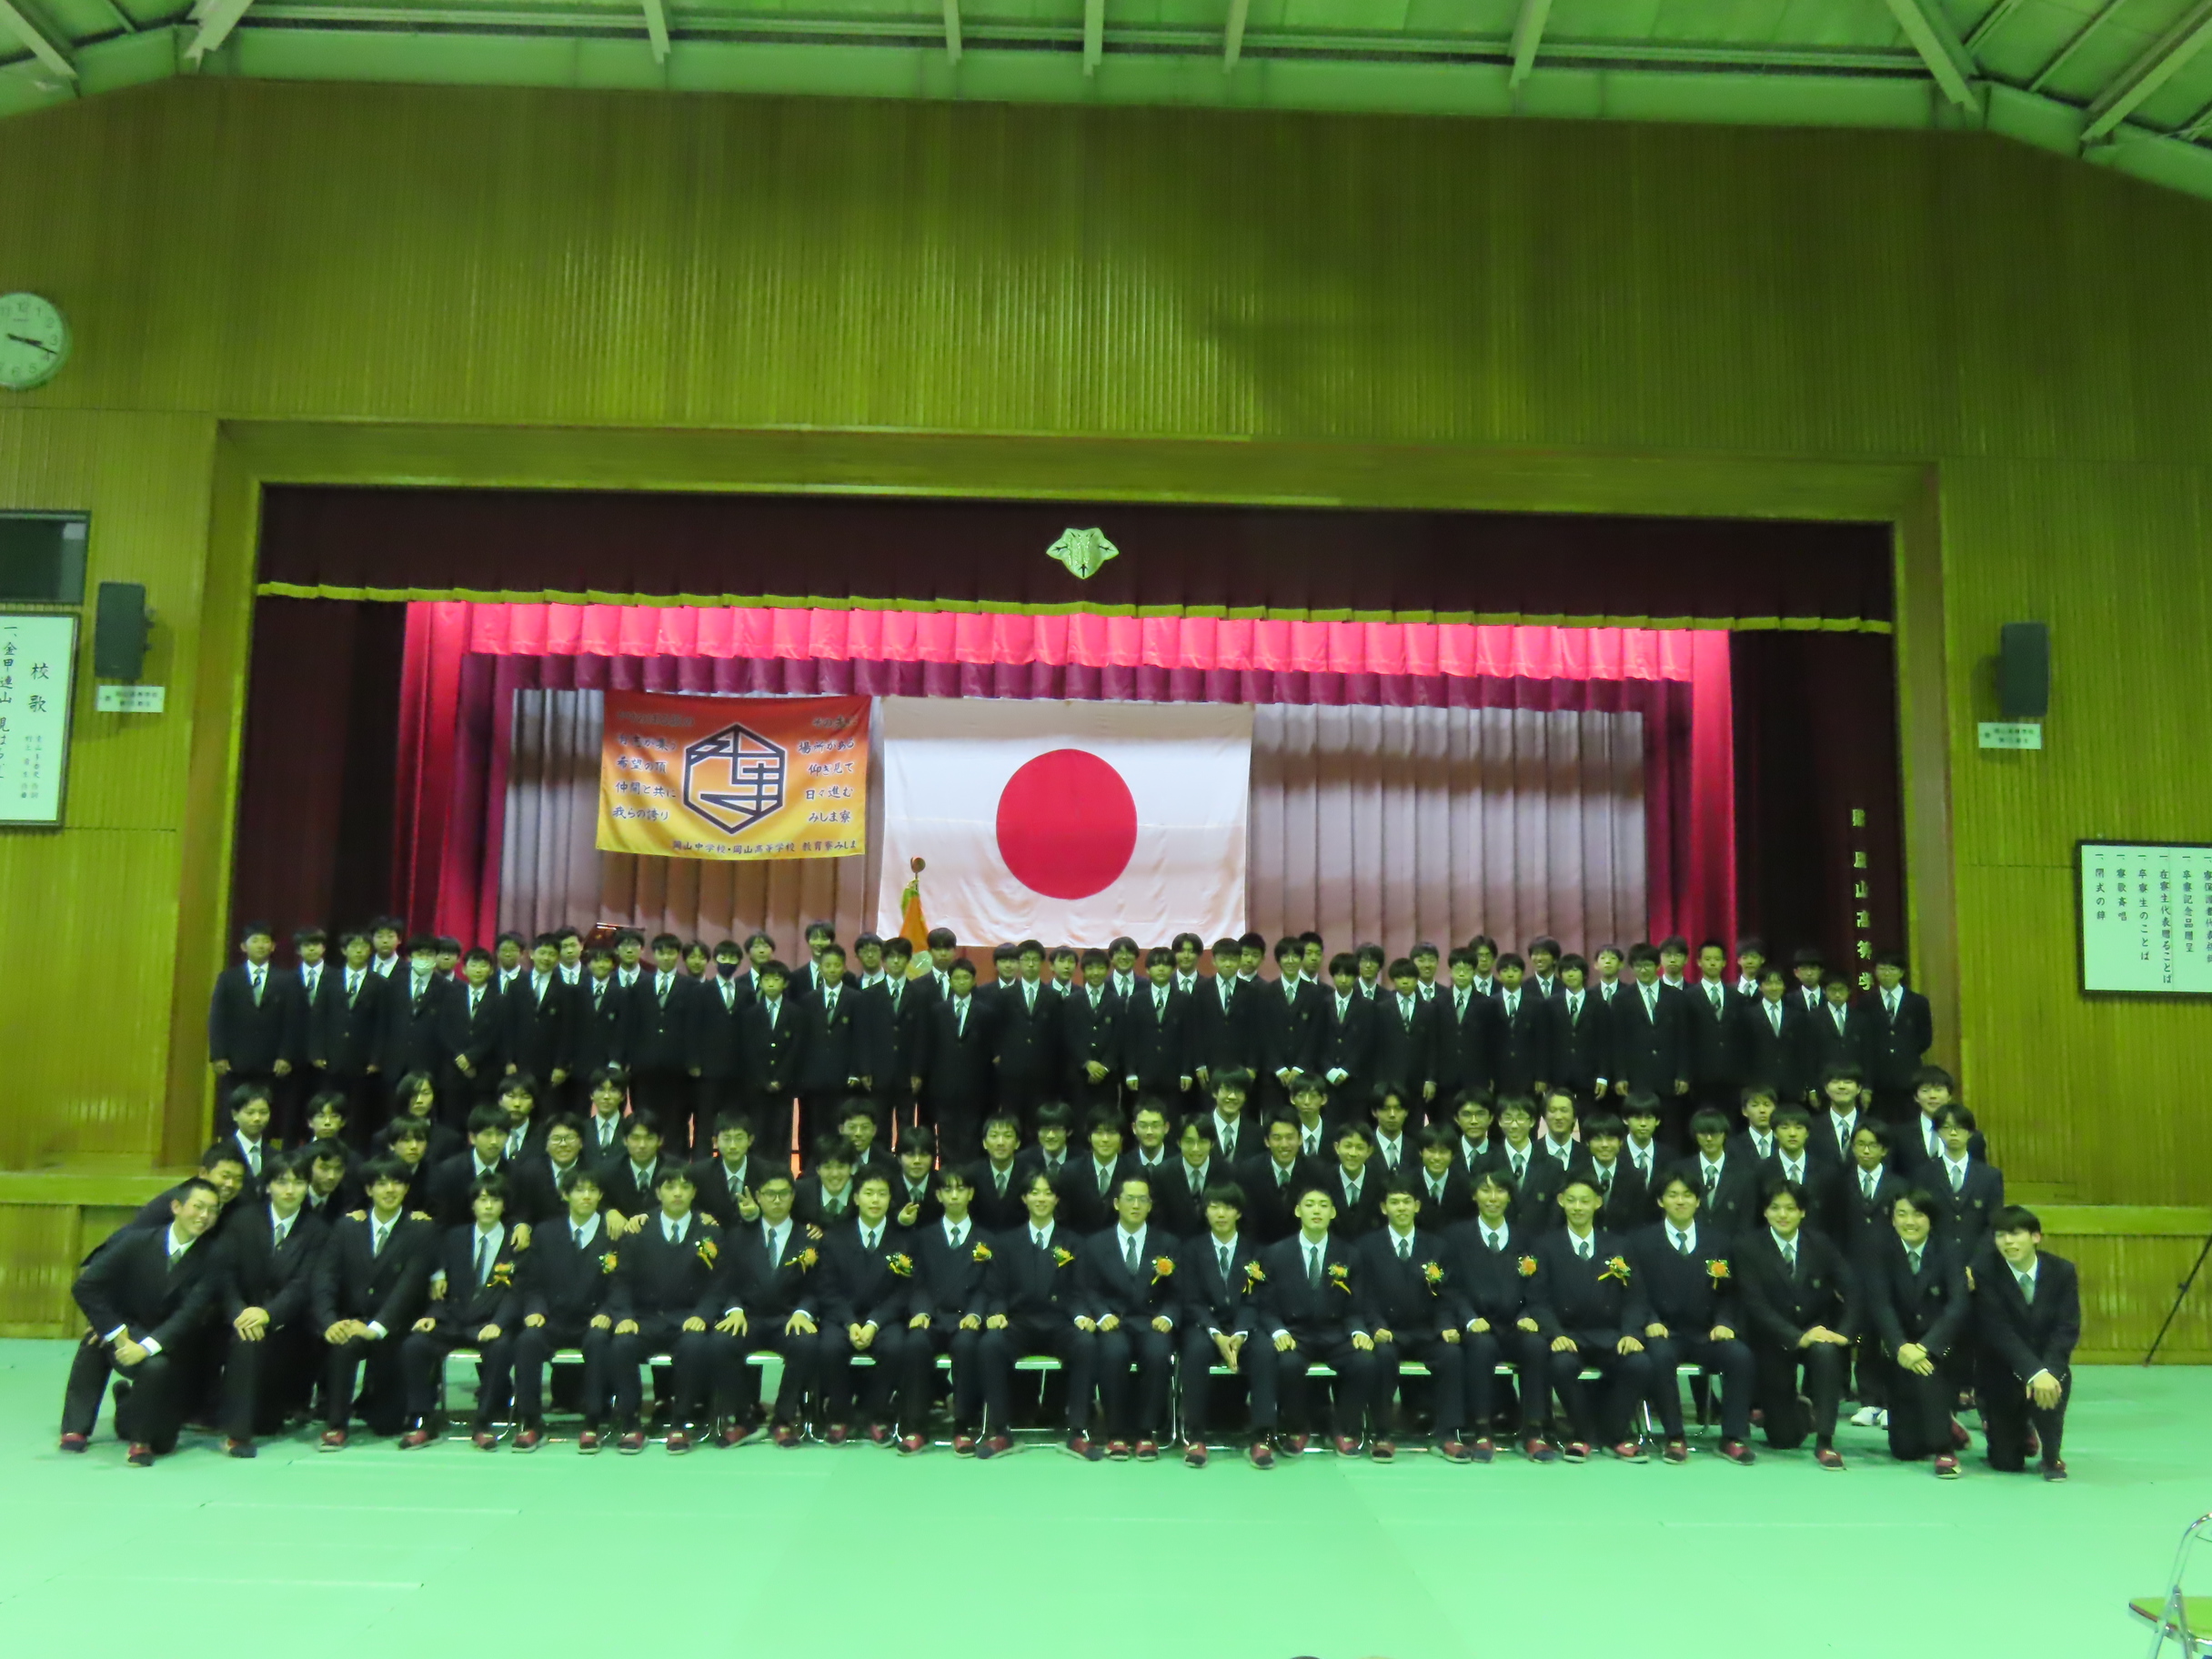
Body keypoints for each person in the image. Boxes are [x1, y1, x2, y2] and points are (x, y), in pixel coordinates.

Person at [58, 1177, 226, 1464]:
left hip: (172, 1343)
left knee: (164, 1442)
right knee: (95, 1339)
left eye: (212, 1210)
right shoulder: (136, 1241)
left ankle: (128, 1407)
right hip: (128, 1328)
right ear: (176, 1206)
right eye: (198, 1207)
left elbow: (190, 1313)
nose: (204, 1216)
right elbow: (86, 1286)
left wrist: (145, 1347)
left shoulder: (214, 1256)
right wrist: (114, 1330)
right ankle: (80, 1429)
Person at [1628, 1172, 1757, 1465]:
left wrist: (1724, 1321)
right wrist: (1649, 1319)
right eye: (1673, 1195)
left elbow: (1730, 1292)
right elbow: (1635, 1290)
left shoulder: (1718, 1241)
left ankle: (1732, 1437)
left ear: (1698, 1201)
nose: (1680, 1201)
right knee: (1659, 1356)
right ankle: (1674, 1436)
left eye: (1687, 1195)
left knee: (1740, 1356)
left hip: (1706, 1332)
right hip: (1664, 1331)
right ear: (1661, 1201)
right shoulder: (1640, 1242)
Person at [1525, 1175, 1652, 1462]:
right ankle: (1582, 1435)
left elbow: (1636, 1298)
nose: (1578, 1207)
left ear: (1597, 1203)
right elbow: (1537, 1299)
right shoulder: (1545, 1246)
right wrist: (1555, 1333)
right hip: (1569, 1335)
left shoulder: (1619, 1245)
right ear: (1561, 1202)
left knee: (1639, 1363)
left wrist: (1631, 1333)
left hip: (1611, 1334)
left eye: (1585, 1201)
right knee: (1560, 1366)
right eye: (1571, 1200)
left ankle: (1614, 1434)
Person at [313, 1157, 437, 1449]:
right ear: (369, 1190)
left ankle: (375, 1404)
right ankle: (336, 1424)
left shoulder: (421, 1229)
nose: (389, 1190)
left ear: (406, 1188)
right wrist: (330, 1322)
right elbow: (325, 1277)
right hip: (354, 1320)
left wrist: (376, 1328)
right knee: (343, 1344)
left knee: (386, 1425)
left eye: (396, 1183)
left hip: (396, 1326)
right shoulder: (347, 1227)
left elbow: (410, 1286)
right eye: (381, 1184)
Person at [1736, 1179, 1859, 1468]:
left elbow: (1853, 1288)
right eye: (1775, 1208)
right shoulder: (1747, 1246)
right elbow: (1754, 1304)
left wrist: (1844, 1333)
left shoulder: (1820, 1244)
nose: (1783, 1215)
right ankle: (1801, 1409)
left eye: (1790, 1208)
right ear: (1765, 1211)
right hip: (1771, 1339)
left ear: (1802, 1212)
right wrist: (1794, 1336)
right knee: (1783, 1439)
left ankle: (1825, 1440)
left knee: (1827, 1352)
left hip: (1816, 1331)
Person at [976, 1173, 1100, 1459]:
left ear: (1056, 1199)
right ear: (1024, 1198)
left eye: (1047, 1193)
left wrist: (1081, 1315)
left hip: (1060, 1321)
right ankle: (1000, 1431)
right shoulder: (1006, 1242)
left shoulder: (1073, 1242)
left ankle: (1078, 1432)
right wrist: (997, 1313)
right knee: (990, 1344)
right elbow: (995, 1289)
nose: (1041, 1198)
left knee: (1086, 1344)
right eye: (1034, 1192)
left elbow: (1079, 1289)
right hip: (1019, 1321)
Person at [214, 1151, 329, 1457]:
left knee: (268, 1424)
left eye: (298, 1182)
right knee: (246, 1340)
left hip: (288, 1324)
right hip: (240, 1319)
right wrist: (240, 1312)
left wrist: (268, 1314)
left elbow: (304, 1283)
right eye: (281, 1182)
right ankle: (237, 1436)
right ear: (267, 1186)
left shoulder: (317, 1230)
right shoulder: (242, 1220)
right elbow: (225, 1274)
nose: (290, 1190)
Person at [399, 1174, 524, 1449]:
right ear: (472, 1204)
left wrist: (500, 1323)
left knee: (501, 1347)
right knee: (415, 1345)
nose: (488, 1206)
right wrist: (433, 1315)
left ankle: (484, 1422)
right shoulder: (454, 1237)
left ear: (504, 1205)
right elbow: (441, 1285)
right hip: (455, 1319)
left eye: (495, 1200)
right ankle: (424, 1420)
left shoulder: (516, 1241)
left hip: (491, 1320)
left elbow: (519, 1291)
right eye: (482, 1199)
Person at [608, 1165, 722, 1453]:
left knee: (695, 1345)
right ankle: (631, 1423)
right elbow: (621, 1281)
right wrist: (624, 1317)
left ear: (694, 1192)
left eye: (684, 1187)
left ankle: (680, 1424)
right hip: (646, 1318)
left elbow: (718, 1283)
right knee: (622, 1344)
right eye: (670, 1187)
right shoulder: (638, 1230)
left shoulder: (710, 1230)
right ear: (658, 1192)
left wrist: (703, 1315)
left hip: (687, 1318)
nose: (677, 1193)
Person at [1357, 1180, 1472, 1463]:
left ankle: (1448, 1434)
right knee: (1381, 1356)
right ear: (1384, 1208)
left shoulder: (1437, 1246)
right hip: (1388, 1331)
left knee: (1452, 1355)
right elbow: (1364, 1295)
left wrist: (1446, 1325)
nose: (1401, 1208)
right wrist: (1376, 1326)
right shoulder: (1366, 1246)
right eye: (1394, 1202)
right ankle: (1382, 1433)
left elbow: (1447, 1294)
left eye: (1407, 1202)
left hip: (1427, 1330)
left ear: (1417, 1206)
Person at [1258, 1187, 1378, 1455]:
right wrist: (1278, 1332)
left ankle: (1343, 1428)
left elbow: (1356, 1305)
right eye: (1309, 1204)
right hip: (1295, 1332)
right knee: (1287, 1364)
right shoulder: (1276, 1253)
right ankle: (1298, 1427)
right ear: (1297, 1211)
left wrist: (1359, 1331)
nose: (1316, 1210)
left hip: (1336, 1332)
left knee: (1365, 1361)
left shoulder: (1349, 1254)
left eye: (1323, 1205)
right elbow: (1266, 1306)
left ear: (1333, 1213)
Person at [511, 1165, 623, 1452]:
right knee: (527, 1340)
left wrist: (607, 1312)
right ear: (565, 1195)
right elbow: (531, 1282)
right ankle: (531, 1421)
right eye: (579, 1190)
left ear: (600, 1196)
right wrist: (535, 1309)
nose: (586, 1196)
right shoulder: (545, 1232)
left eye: (593, 1191)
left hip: (593, 1318)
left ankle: (592, 1423)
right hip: (553, 1317)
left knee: (599, 1341)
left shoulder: (613, 1233)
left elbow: (621, 1282)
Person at [1864, 1190, 1973, 1476]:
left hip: (1940, 1346)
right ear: (1892, 1219)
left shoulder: (1949, 1249)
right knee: (1906, 1450)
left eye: (1917, 1214)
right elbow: (1880, 1303)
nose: (1909, 1222)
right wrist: (1900, 1346)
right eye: (1902, 1214)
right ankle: (1944, 1425)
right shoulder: (1879, 1250)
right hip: (1899, 1349)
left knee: (1927, 1371)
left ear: (1930, 1219)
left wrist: (1925, 1347)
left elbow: (1958, 1305)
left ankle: (1944, 1449)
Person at [1072, 1175, 1181, 1460]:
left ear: (1150, 1205)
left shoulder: (1167, 1243)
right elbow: (1088, 1289)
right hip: (1114, 1321)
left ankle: (1146, 1433)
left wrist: (1169, 1316)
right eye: (1130, 1199)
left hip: (1151, 1320)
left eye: (1142, 1199)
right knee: (1113, 1353)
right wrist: (1102, 1314)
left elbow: (1178, 1292)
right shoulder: (1096, 1243)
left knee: (1158, 1354)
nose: (1136, 1205)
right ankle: (1116, 1433)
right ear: (1116, 1203)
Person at [715, 1170, 822, 1447]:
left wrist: (803, 1312)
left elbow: (817, 1286)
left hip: (788, 1318)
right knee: (720, 1342)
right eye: (770, 1194)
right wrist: (734, 1309)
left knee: (807, 1343)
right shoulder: (737, 1236)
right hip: (748, 1317)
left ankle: (783, 1419)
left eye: (783, 1194)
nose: (777, 1200)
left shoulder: (809, 1237)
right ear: (759, 1198)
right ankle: (743, 1419)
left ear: (792, 1197)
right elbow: (725, 1283)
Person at [817, 1172, 922, 1449]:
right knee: (829, 1347)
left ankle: (877, 1415)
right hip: (843, 1317)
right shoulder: (834, 1237)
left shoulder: (904, 1240)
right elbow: (827, 1290)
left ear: (890, 1200)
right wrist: (850, 1323)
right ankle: (839, 1415)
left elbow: (904, 1292)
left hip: (884, 1318)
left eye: (882, 1194)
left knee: (896, 1347)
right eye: (869, 1193)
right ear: (856, 1198)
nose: (875, 1200)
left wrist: (874, 1323)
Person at [1178, 1180, 1277, 1468]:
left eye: (1228, 1207)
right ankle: (1195, 1435)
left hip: (1244, 1325)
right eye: (1214, 1207)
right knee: (1195, 1351)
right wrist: (1217, 1335)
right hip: (1205, 1325)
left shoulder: (1256, 1251)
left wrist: (1240, 1333)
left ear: (1239, 1212)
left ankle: (1261, 1437)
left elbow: (1257, 1299)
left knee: (1265, 1351)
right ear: (1205, 1211)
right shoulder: (1191, 1250)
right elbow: (1191, 1300)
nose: (1221, 1213)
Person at [1976, 1206, 2078, 1481]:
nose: (2007, 1242)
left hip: (2048, 1364)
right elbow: (1998, 1330)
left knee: (2052, 1384)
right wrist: (2032, 1371)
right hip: (2002, 1368)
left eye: (2015, 1234)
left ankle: (2051, 1455)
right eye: (2000, 1235)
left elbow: (2067, 1327)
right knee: (2006, 1462)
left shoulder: (2062, 1271)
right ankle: (2019, 1429)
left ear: (2036, 1237)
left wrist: (2048, 1372)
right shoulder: (1985, 1271)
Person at [909, 1168, 999, 1456]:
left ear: (971, 1194)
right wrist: (922, 1311)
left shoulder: (986, 1238)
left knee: (967, 1344)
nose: (955, 1195)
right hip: (933, 1316)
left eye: (961, 1189)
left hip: (966, 1318)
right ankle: (917, 1426)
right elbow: (918, 1282)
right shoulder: (923, 1237)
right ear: (938, 1195)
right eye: (948, 1189)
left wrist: (976, 1313)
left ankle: (962, 1426)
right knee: (916, 1342)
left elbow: (988, 1285)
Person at [208, 921, 297, 1123]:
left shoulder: (287, 980)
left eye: (265, 941)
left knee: (267, 1111)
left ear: (273, 947)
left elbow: (292, 1022)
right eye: (255, 941)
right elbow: (218, 1019)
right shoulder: (228, 979)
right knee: (233, 1110)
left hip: (272, 1062)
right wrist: (218, 1055)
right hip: (235, 1061)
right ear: (243, 946)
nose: (260, 945)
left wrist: (285, 1056)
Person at [912, 957, 995, 1163]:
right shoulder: (937, 1011)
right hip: (943, 1084)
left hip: (975, 1087)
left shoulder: (985, 1013)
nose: (961, 982)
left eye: (966, 978)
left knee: (971, 1135)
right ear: (950, 981)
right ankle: (947, 1173)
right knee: (945, 1134)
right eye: (957, 978)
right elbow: (928, 1047)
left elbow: (989, 1051)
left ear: (973, 981)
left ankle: (969, 1173)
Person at [795, 943, 867, 1146]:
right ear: (821, 968)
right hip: (814, 1077)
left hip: (844, 1078)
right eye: (827, 965)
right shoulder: (808, 1000)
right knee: (814, 1126)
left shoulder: (856, 999)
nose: (832, 970)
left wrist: (855, 1071)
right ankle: (813, 1162)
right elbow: (803, 1040)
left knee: (840, 1125)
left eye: (837, 965)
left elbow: (860, 1038)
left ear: (844, 968)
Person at [1864, 951, 1934, 1125]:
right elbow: (1864, 1041)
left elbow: (1925, 1038)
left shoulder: (1918, 1002)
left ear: (1901, 973)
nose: (1887, 973)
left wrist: (1904, 1052)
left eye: (1892, 969)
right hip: (1878, 1080)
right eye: (1882, 969)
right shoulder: (1866, 1003)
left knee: (1910, 1124)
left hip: (1909, 1077)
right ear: (1875, 972)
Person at [1928, 1104, 2005, 1255]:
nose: (1953, 1133)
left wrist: (1978, 1262)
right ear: (1937, 1132)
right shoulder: (1923, 1174)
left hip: (1979, 1259)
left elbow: (1994, 1224)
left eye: (1959, 1127)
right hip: (1936, 1259)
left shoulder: (1990, 1176)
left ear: (1970, 1132)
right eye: (1946, 1127)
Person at [1123, 947, 1192, 1104]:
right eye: (1156, 964)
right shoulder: (1136, 1000)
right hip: (1144, 1075)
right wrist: (1131, 1072)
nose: (1161, 968)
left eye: (1166, 964)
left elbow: (1189, 1039)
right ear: (1147, 970)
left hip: (1174, 1076)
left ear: (1173, 969)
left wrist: (1186, 1072)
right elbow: (1130, 1040)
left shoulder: (1185, 1000)